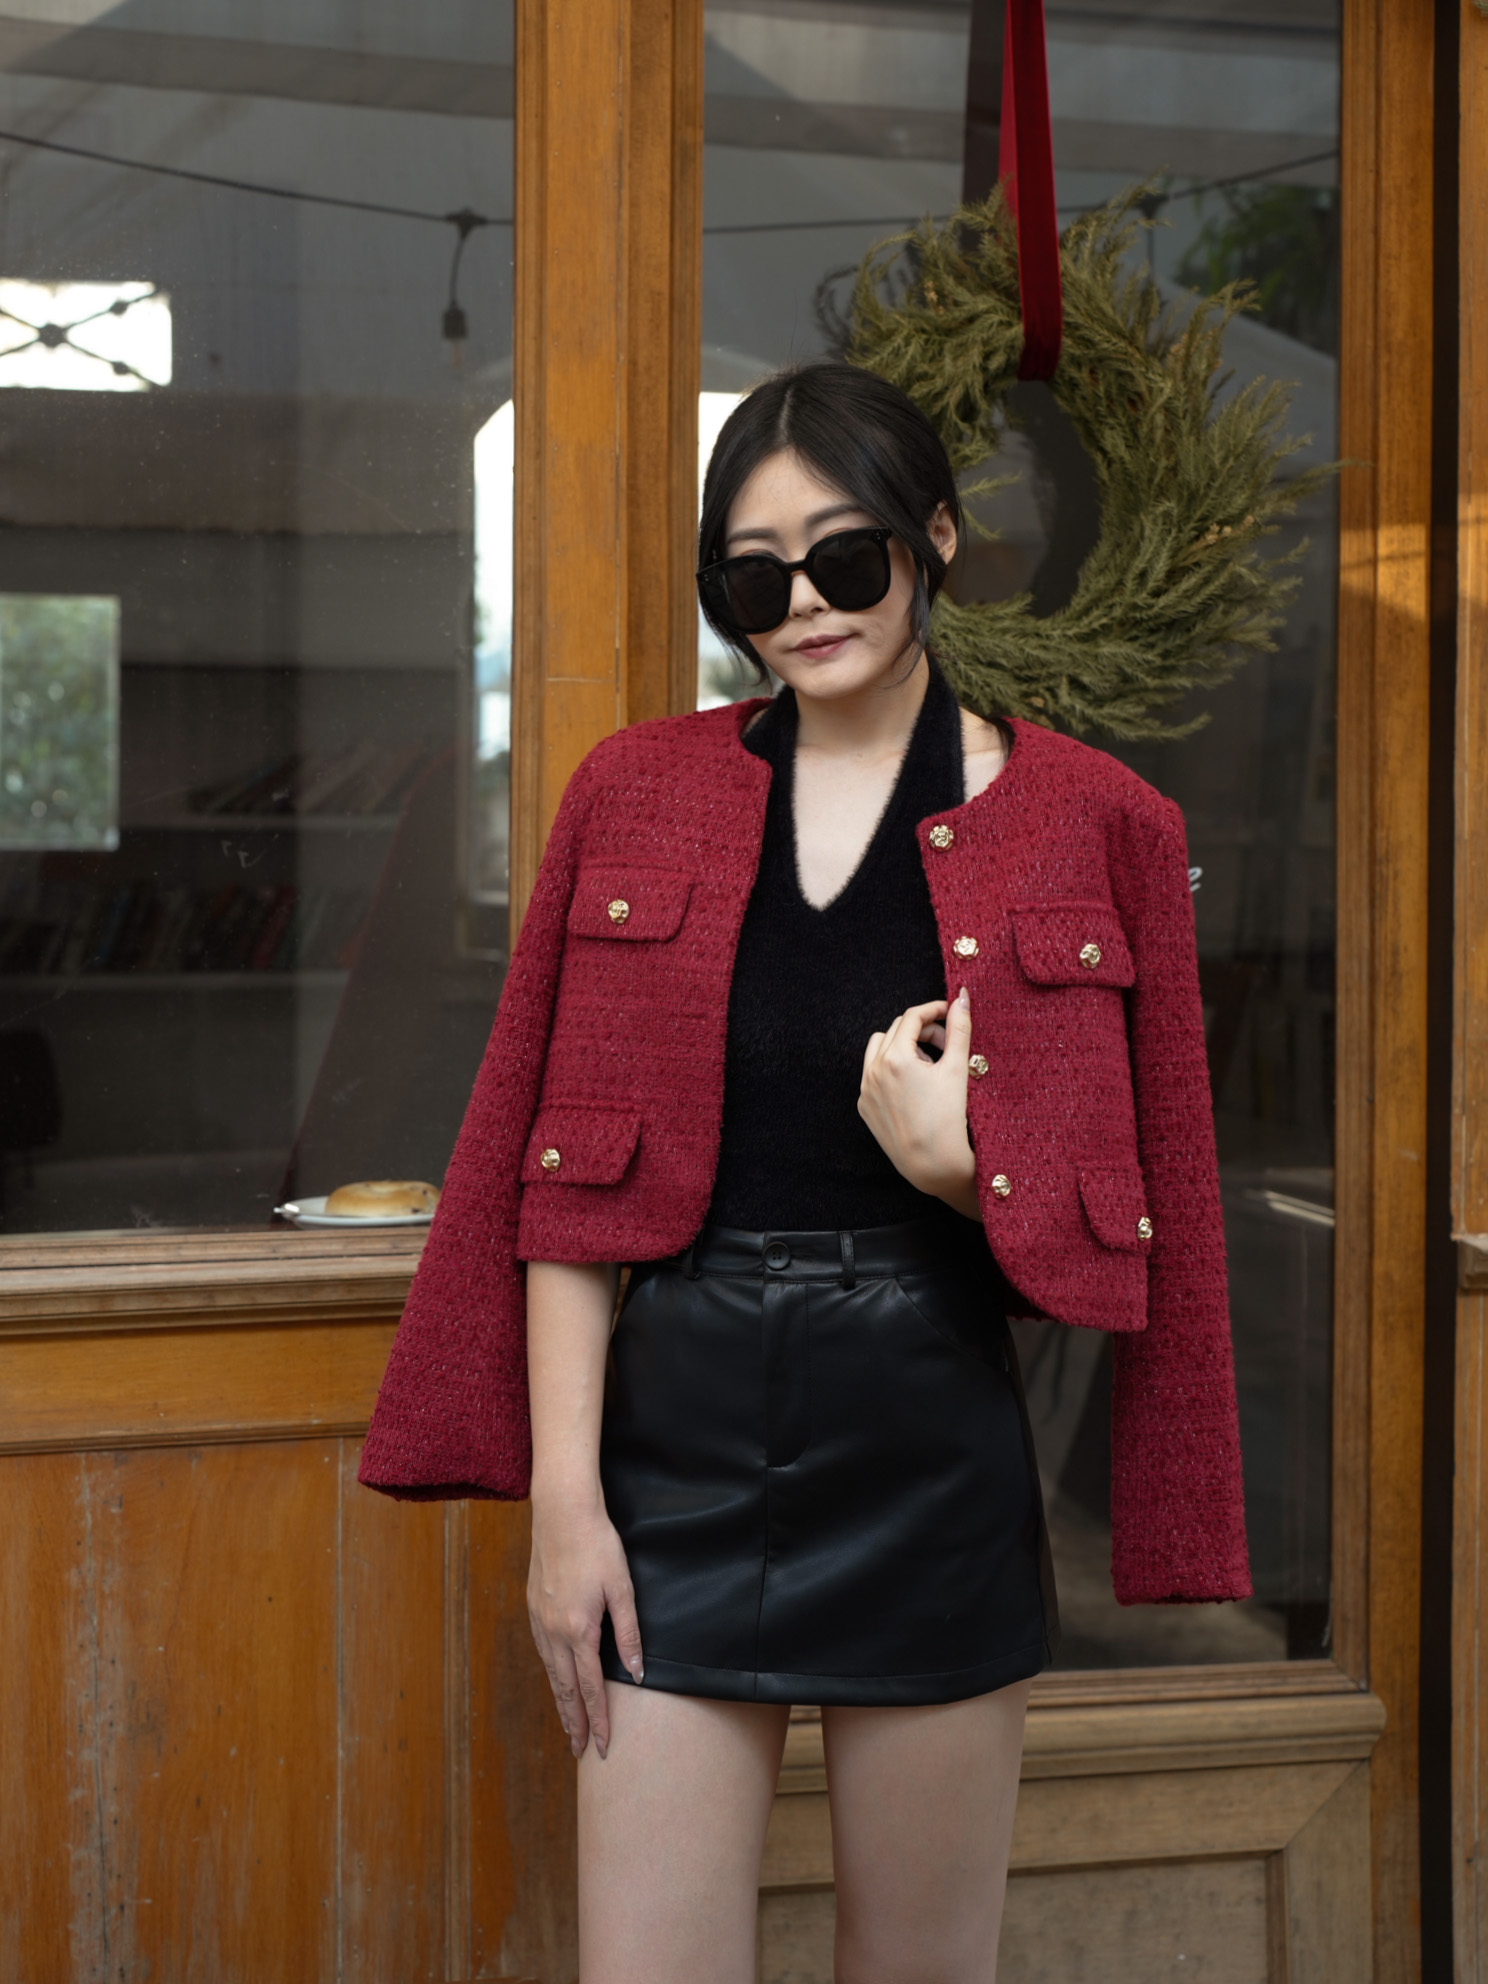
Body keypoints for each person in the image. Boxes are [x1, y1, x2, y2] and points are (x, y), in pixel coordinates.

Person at [360, 361, 1250, 1983]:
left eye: (844, 557)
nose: (805, 607)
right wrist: (567, 1510)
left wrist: (960, 1171)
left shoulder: (1095, 820)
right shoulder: (634, 792)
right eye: (755, 578)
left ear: (935, 538)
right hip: (670, 1446)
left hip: (932, 1442)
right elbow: (565, 1185)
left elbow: (1155, 1209)